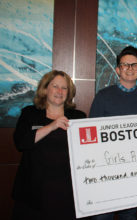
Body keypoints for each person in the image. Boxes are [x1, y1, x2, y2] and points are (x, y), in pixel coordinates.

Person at [89, 45, 137, 220]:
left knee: (129, 216)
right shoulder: (103, 96)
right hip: (106, 173)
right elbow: (91, 134)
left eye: (134, 65)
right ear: (118, 69)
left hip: (133, 174)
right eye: (125, 65)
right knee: (102, 217)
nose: (130, 69)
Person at [12, 70, 86, 220]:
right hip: (34, 192)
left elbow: (87, 150)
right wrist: (52, 126)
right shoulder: (30, 114)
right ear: (45, 89)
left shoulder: (78, 117)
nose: (59, 91)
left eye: (64, 88)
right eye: (55, 86)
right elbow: (21, 143)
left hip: (68, 192)